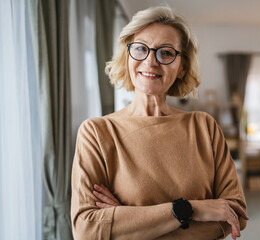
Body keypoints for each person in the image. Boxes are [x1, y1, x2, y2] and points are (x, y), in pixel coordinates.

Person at [71, 5, 248, 240]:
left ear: (182, 67)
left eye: (165, 53)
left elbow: (235, 215)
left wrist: (130, 220)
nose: (151, 61)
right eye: (141, 49)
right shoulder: (97, 132)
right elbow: (87, 230)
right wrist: (194, 210)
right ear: (128, 56)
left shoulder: (204, 127)